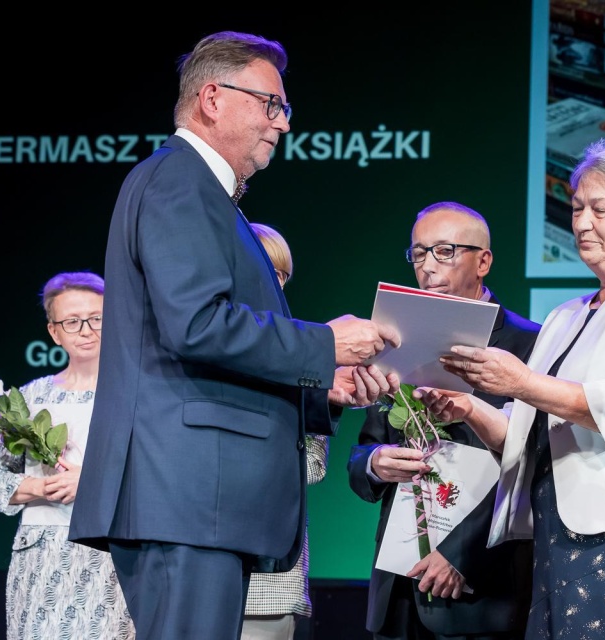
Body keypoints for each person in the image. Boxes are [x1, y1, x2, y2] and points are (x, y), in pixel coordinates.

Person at [67, 31, 399, 640]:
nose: (282, 124)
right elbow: (195, 325)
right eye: (269, 104)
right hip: (188, 495)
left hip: (201, 499)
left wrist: (323, 387)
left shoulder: (207, 194)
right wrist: (324, 346)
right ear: (212, 98)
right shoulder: (180, 181)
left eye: (284, 108)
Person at [417, 138, 605, 639]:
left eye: (600, 209)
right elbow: (526, 437)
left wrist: (522, 382)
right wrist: (468, 405)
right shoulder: (564, 316)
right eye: (577, 207)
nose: (581, 222)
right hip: (558, 535)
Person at [348, 202, 540, 640]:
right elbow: (360, 461)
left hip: (481, 592)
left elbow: (533, 466)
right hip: (399, 592)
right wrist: (375, 463)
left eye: (445, 251)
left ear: (483, 261)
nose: (428, 267)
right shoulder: (393, 337)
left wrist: (460, 554)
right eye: (419, 254)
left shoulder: (530, 344)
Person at [0, 272, 135, 640]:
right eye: (72, 321)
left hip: (108, 557)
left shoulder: (136, 396)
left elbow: (160, 477)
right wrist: (42, 486)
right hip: (40, 559)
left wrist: (93, 481)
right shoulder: (31, 397)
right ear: (54, 332)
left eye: (97, 318)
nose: (86, 330)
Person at [242, 223, 327, 640]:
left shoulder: (305, 356)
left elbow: (312, 466)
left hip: (268, 580)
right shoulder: (189, 348)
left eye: (281, 274)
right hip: (191, 569)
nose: (272, 283)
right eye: (261, 267)